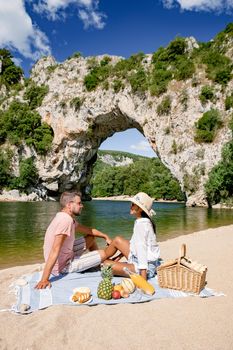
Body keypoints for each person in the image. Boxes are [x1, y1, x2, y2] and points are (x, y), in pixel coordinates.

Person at [35, 191, 111, 289]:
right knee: (103, 254)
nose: (82, 206)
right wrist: (44, 279)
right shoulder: (65, 221)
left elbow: (89, 230)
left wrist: (105, 236)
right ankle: (99, 261)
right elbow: (55, 250)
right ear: (69, 205)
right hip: (63, 266)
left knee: (91, 237)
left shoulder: (65, 217)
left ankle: (97, 264)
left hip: (65, 255)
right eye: (79, 203)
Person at [103, 192, 160, 280]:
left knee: (105, 266)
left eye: (133, 204)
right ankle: (100, 257)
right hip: (136, 258)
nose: (131, 206)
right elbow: (134, 244)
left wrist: (143, 278)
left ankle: (100, 261)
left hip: (145, 267)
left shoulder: (142, 224)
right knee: (117, 239)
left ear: (140, 209)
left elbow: (142, 249)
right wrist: (118, 257)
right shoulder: (141, 221)